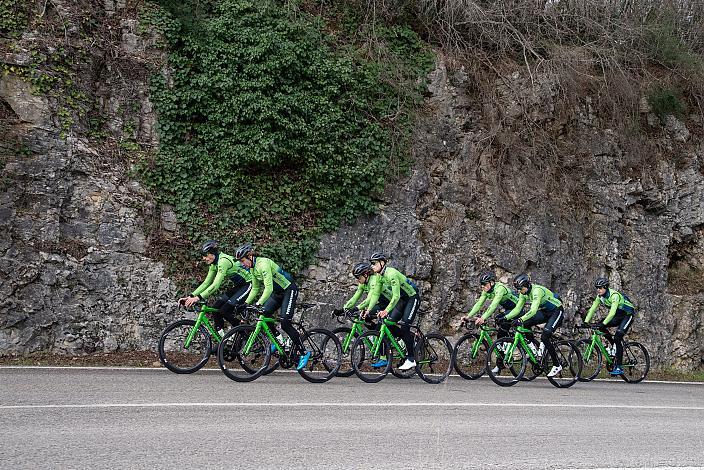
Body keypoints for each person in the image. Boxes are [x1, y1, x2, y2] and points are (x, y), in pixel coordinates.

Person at [236, 243, 310, 370]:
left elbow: (268, 288)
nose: (242, 264)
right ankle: (279, 340)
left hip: (288, 289)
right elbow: (255, 288)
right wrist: (246, 304)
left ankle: (304, 353)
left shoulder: (263, 264)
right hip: (277, 293)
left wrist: (258, 303)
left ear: (250, 256)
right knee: (264, 315)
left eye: (243, 261)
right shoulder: (253, 268)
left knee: (285, 323)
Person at [178, 240, 251, 336]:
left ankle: (245, 333)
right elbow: (206, 283)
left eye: (205, 255)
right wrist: (191, 296)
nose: (203, 258)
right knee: (216, 309)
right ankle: (224, 340)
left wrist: (198, 298)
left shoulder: (223, 261)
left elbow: (216, 285)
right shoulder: (214, 264)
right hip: (239, 286)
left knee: (225, 310)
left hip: (248, 284)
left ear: (212, 254)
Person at [505, 273, 564, 377]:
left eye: (521, 288)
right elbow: (517, 309)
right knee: (525, 324)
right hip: (545, 312)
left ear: (527, 285)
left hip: (556, 311)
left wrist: (520, 319)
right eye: (518, 289)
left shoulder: (537, 291)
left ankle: (557, 365)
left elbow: (532, 311)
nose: (519, 291)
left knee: (545, 336)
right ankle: (533, 349)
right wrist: (505, 318)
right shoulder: (524, 293)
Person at [369, 252, 420, 371]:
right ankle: (400, 344)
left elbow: (395, 296)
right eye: (371, 263)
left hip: (412, 298)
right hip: (402, 300)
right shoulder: (379, 276)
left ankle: (411, 359)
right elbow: (376, 294)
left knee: (405, 326)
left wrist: (386, 310)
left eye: (374, 263)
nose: (372, 266)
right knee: (387, 324)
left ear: (382, 263)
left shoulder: (391, 273)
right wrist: (368, 310)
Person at [583, 277, 636, 376]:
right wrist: (586, 322)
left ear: (606, 287)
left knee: (618, 336)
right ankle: (613, 345)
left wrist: (603, 323)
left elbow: (611, 313)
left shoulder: (614, 295)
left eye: (600, 288)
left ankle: (619, 367)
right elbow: (592, 308)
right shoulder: (600, 297)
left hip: (627, 315)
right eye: (597, 288)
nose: (598, 290)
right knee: (600, 326)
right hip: (618, 316)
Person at [461, 271, 521, 341]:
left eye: (484, 284)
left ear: (492, 283)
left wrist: (483, 317)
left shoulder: (500, 288)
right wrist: (468, 316)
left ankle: (516, 341)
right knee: (499, 322)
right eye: (481, 284)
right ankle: (507, 342)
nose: (482, 286)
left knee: (502, 321)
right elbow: (479, 304)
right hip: (509, 309)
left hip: (518, 307)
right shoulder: (486, 291)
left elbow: (494, 305)